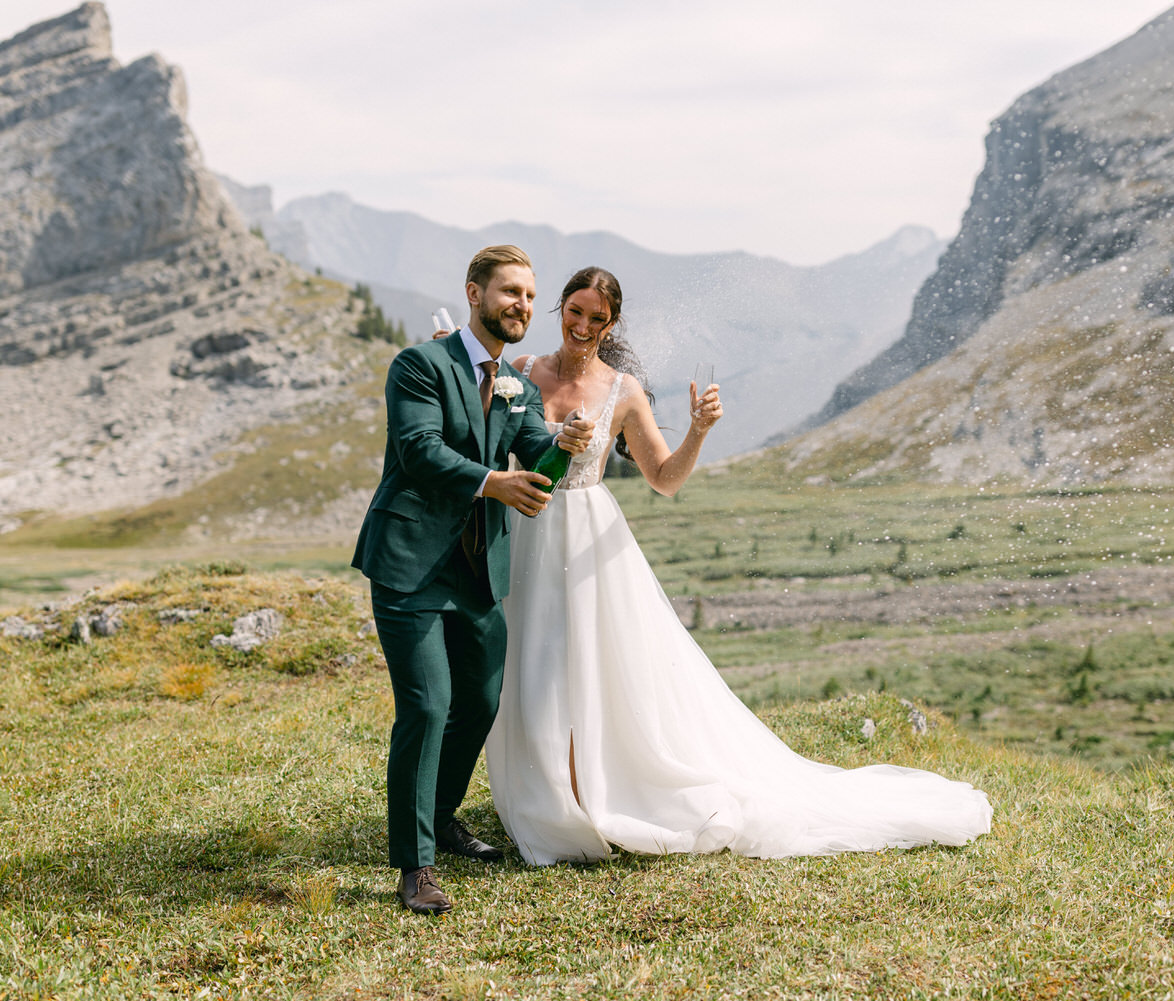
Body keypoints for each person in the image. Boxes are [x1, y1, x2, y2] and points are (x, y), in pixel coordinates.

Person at [485, 266, 992, 866]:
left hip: (587, 538)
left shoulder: (624, 391)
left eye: (599, 318)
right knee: (526, 662)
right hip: (524, 528)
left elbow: (666, 480)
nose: (584, 326)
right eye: (575, 311)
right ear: (559, 308)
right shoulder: (518, 374)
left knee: (579, 666)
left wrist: (699, 429)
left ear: (612, 323)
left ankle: (579, 799)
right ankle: (542, 792)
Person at [351, 245, 596, 914]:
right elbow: (419, 449)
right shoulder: (420, 365)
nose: (520, 304)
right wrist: (494, 481)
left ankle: (439, 815)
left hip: (477, 569)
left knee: (480, 703)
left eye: (527, 295)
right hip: (408, 564)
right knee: (428, 706)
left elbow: (532, 459)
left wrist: (561, 446)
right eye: (508, 291)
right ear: (474, 293)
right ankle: (416, 864)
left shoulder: (518, 385)